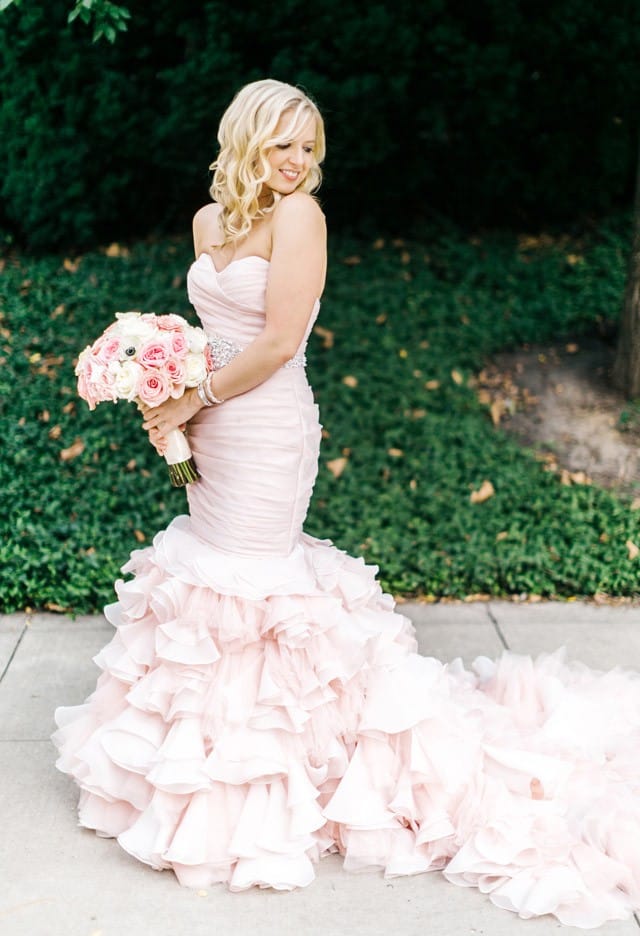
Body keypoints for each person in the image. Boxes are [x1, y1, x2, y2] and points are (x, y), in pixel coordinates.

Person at [52, 79, 640, 928]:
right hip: (211, 420)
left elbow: (281, 341)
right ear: (245, 140)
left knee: (253, 587)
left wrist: (194, 396)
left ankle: (265, 785)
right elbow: (208, 330)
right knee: (211, 580)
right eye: (283, 144)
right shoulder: (206, 224)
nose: (297, 162)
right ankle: (205, 761)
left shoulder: (302, 219)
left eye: (309, 147)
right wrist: (165, 382)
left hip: (264, 427)